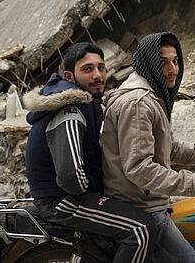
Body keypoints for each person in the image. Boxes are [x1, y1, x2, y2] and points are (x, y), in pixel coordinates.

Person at [101, 32, 195, 262]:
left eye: (175, 61)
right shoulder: (138, 103)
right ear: (149, 63)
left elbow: (167, 148)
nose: (172, 69)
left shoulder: (151, 95)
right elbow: (139, 167)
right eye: (163, 61)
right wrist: (194, 182)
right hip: (141, 206)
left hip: (150, 200)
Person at [23, 42, 156, 263]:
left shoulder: (88, 102)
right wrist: (97, 190)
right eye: (87, 69)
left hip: (72, 193)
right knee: (141, 229)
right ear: (69, 76)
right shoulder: (70, 110)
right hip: (61, 200)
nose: (98, 75)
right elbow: (71, 179)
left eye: (101, 67)